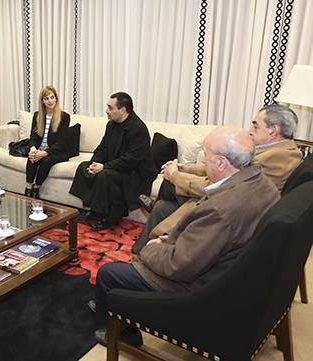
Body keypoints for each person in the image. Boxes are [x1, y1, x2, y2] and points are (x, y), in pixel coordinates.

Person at [89, 128, 280, 346]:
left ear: (221, 163)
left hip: (198, 289)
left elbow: (178, 266)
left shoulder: (221, 209)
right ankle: (108, 303)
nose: (204, 162)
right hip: (227, 270)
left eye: (206, 156)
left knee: (109, 274)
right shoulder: (263, 184)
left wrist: (152, 247)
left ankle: (120, 333)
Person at [132, 104, 302, 253]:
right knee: (162, 206)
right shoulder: (275, 150)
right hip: (229, 201)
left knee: (169, 186)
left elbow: (219, 182)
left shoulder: (273, 157)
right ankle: (142, 253)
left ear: (273, 131)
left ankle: (145, 255)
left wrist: (175, 175)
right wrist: (185, 167)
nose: (250, 131)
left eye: (255, 126)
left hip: (228, 209)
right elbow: (223, 169)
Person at [69, 92, 156, 231]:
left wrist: (103, 167)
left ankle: (109, 217)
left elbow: (131, 160)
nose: (106, 111)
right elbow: (102, 148)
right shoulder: (111, 125)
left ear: (122, 110)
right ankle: (94, 209)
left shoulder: (138, 129)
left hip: (135, 172)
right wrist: (94, 163)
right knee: (83, 167)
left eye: (110, 108)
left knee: (105, 175)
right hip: (115, 165)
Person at [25, 86, 70, 198]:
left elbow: (61, 143)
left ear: (56, 99)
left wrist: (44, 153)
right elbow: (33, 137)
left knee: (46, 160)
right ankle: (28, 187)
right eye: (46, 98)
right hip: (40, 149)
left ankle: (37, 187)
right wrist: (33, 149)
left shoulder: (64, 117)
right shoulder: (37, 115)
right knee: (32, 157)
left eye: (52, 97)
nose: (50, 101)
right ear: (42, 101)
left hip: (58, 151)